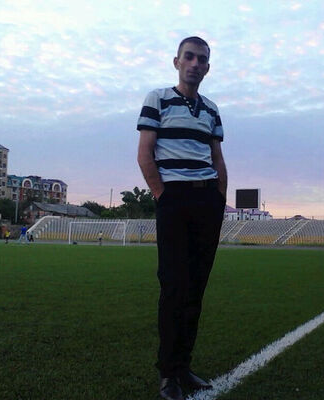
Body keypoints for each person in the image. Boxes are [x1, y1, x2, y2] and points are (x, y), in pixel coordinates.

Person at [137, 36, 227, 400]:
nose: (194, 64)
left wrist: (219, 198)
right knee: (174, 286)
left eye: (201, 59)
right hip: (173, 199)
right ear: (176, 62)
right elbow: (145, 153)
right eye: (188, 57)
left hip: (207, 201)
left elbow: (217, 158)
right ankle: (168, 373)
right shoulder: (158, 99)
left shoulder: (211, 109)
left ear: (207, 67)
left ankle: (184, 366)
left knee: (195, 288)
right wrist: (162, 194)